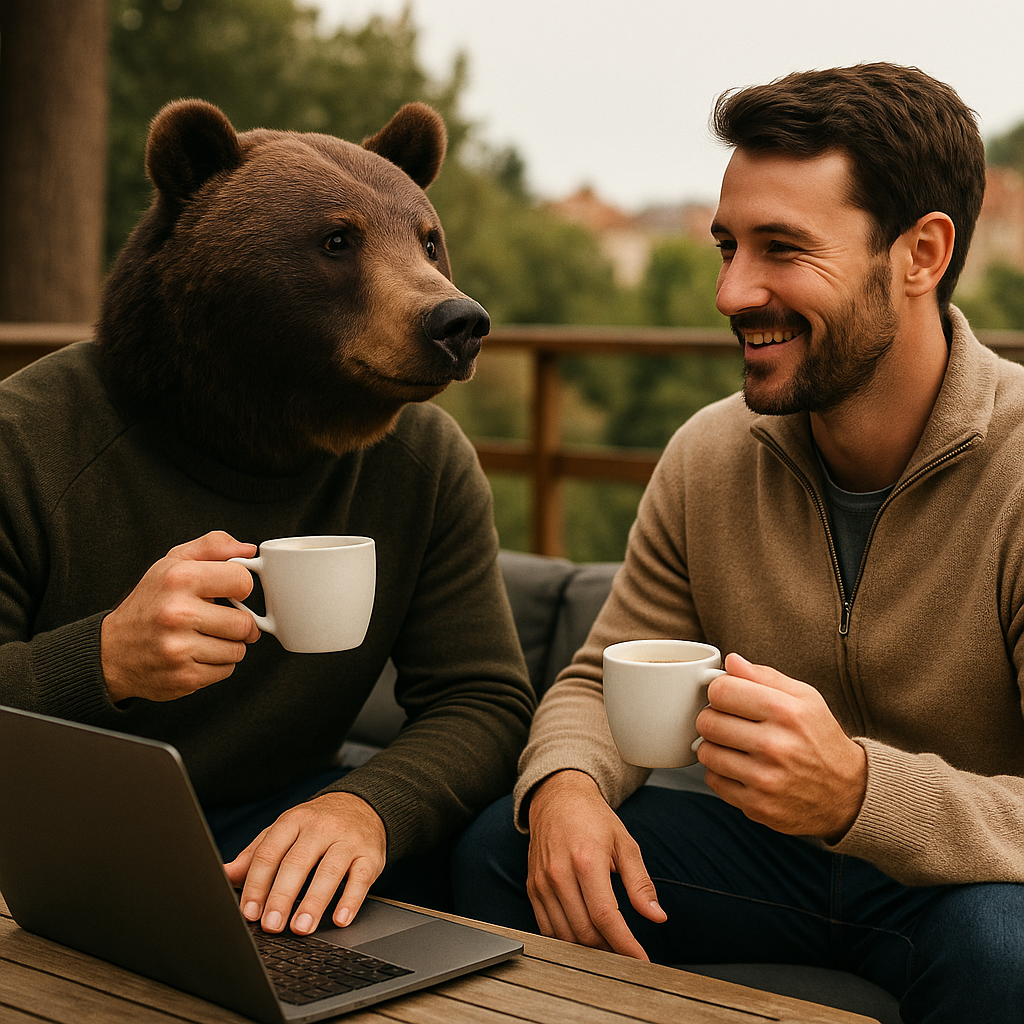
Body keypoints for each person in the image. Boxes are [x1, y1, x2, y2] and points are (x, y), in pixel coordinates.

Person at [453, 63, 1024, 1023]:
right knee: (501, 851)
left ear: (921, 254)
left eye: (781, 249)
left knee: (1008, 948)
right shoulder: (710, 453)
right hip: (774, 863)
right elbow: (599, 679)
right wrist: (565, 789)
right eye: (727, 246)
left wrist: (857, 792)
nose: (729, 291)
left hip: (966, 878)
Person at [0, 102, 536, 942]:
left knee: (497, 838)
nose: (442, 297)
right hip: (40, 845)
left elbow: (485, 698)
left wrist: (365, 811)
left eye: (427, 246)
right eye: (335, 245)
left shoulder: (422, 460)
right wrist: (102, 660)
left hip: (283, 830)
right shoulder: (27, 441)